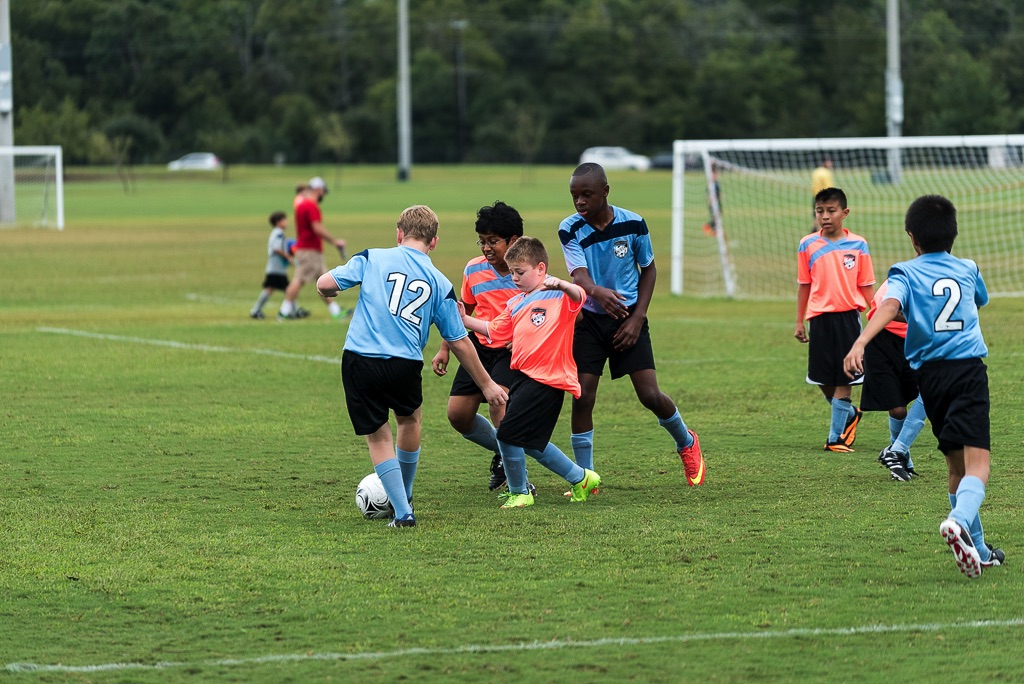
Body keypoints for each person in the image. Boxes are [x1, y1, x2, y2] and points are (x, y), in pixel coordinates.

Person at [316, 205, 508, 528]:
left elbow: (324, 283)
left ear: (399, 234)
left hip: (360, 358)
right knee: (409, 420)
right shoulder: (440, 283)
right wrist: (487, 384)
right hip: (405, 363)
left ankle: (403, 511)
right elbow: (460, 341)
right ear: (434, 242)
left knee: (378, 436)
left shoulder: (372, 258)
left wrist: (331, 290)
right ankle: (403, 497)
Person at [844, 194, 1003, 578]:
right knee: (978, 465)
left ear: (912, 237)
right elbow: (980, 299)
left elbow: (888, 306)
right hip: (966, 371)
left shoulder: (904, 272)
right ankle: (958, 521)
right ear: (953, 234)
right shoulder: (968, 267)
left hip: (929, 378)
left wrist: (861, 341)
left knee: (956, 467)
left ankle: (980, 550)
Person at [559, 163, 705, 487]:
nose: (579, 201)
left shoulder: (634, 223)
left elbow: (648, 269)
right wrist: (596, 292)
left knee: (649, 394)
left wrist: (637, 318)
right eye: (574, 195)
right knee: (583, 396)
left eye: (586, 194)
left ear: (605, 192)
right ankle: (586, 478)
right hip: (590, 321)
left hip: (628, 318)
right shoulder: (569, 228)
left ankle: (686, 441)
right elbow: (579, 276)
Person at [459, 236, 599, 509]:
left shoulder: (558, 294)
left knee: (506, 434)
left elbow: (580, 296)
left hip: (547, 379)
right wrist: (464, 319)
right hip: (523, 377)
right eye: (512, 272)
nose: (514, 278)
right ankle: (581, 478)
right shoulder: (515, 303)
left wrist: (563, 285)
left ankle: (520, 492)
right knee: (530, 442)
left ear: (541, 268)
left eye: (519, 272)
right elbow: (494, 330)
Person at [431, 201, 533, 493]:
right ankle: (504, 452)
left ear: (514, 241)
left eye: (493, 241)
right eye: (482, 241)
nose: (486, 248)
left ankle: (519, 481)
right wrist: (445, 348)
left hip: (511, 351)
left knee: (499, 403)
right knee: (458, 415)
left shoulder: (527, 273)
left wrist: (523, 339)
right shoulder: (473, 269)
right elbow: (461, 312)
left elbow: (541, 313)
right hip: (478, 347)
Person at [795, 187, 875, 453]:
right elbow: (804, 284)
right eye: (820, 211)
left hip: (848, 319)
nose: (825, 216)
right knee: (820, 378)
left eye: (831, 210)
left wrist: (878, 315)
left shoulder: (859, 245)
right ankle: (849, 413)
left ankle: (835, 438)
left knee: (845, 377)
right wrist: (799, 321)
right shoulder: (807, 244)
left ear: (845, 212)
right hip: (818, 319)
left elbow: (866, 285)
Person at [861, 279, 928, 481]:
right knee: (897, 410)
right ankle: (901, 460)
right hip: (881, 344)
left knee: (931, 391)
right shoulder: (898, 280)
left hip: (916, 345)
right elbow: (887, 309)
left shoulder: (936, 281)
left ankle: (896, 450)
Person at [279, 176, 349, 321]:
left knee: (324, 282)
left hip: (310, 249)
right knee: (299, 280)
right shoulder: (311, 206)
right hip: (309, 249)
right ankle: (283, 312)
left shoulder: (302, 204)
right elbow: (317, 228)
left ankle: (336, 312)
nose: (323, 195)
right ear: (318, 190)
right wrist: (334, 242)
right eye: (323, 191)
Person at [249, 211, 292, 320]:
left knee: (285, 289)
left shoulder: (277, 232)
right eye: (284, 220)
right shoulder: (278, 233)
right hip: (276, 268)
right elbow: (276, 248)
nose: (286, 222)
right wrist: (288, 257)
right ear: (278, 222)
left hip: (277, 268)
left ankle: (293, 310)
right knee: (286, 289)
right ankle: (256, 310)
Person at [810, 158, 835, 230]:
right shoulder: (826, 173)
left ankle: (814, 231)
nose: (830, 164)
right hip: (824, 197)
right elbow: (828, 186)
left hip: (815, 196)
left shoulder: (816, 171)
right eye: (829, 162)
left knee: (817, 215)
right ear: (824, 163)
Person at [702, 164, 721, 237]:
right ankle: (707, 227)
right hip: (713, 203)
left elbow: (718, 192)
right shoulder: (711, 183)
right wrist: (710, 200)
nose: (717, 175)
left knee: (718, 215)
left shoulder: (716, 182)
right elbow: (708, 193)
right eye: (716, 174)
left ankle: (714, 230)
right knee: (715, 217)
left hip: (717, 202)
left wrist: (720, 196)